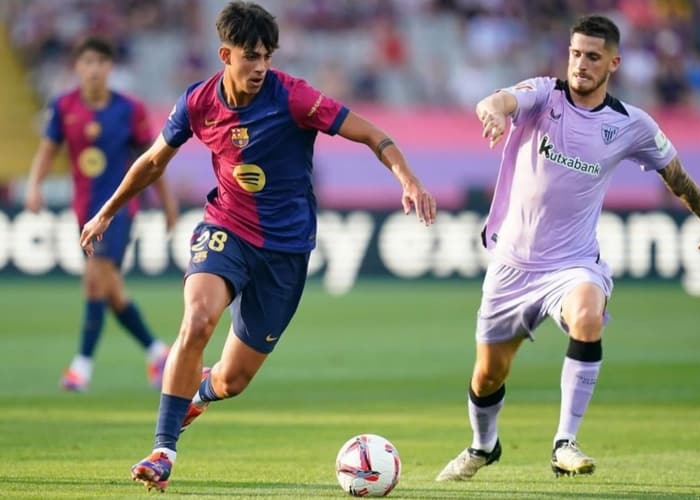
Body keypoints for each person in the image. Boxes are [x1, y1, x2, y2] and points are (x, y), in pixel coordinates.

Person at [79, 1, 436, 492]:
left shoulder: (294, 98)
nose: (260, 66)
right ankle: (163, 450)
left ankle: (199, 393)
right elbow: (153, 161)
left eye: (267, 55)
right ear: (225, 54)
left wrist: (409, 180)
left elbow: (373, 134)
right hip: (225, 228)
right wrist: (107, 211)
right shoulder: (197, 102)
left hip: (286, 251)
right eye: (251, 56)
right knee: (198, 319)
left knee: (233, 381)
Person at [436, 15, 700, 482]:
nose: (580, 64)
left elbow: (677, 177)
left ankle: (564, 442)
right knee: (488, 375)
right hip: (512, 266)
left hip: (573, 263)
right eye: (576, 54)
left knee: (588, 316)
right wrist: (493, 109)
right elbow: (498, 99)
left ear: (613, 63)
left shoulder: (631, 125)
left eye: (593, 57)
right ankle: (483, 445)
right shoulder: (544, 95)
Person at [25, 37, 179, 392]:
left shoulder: (130, 109)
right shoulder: (64, 106)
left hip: (121, 210)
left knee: (95, 277)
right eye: (87, 62)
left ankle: (81, 367)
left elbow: (152, 160)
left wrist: (169, 204)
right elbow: (48, 151)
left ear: (110, 68)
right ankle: (157, 353)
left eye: (100, 62)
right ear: (77, 67)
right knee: (110, 291)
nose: (93, 69)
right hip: (83, 211)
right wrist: (35, 186)